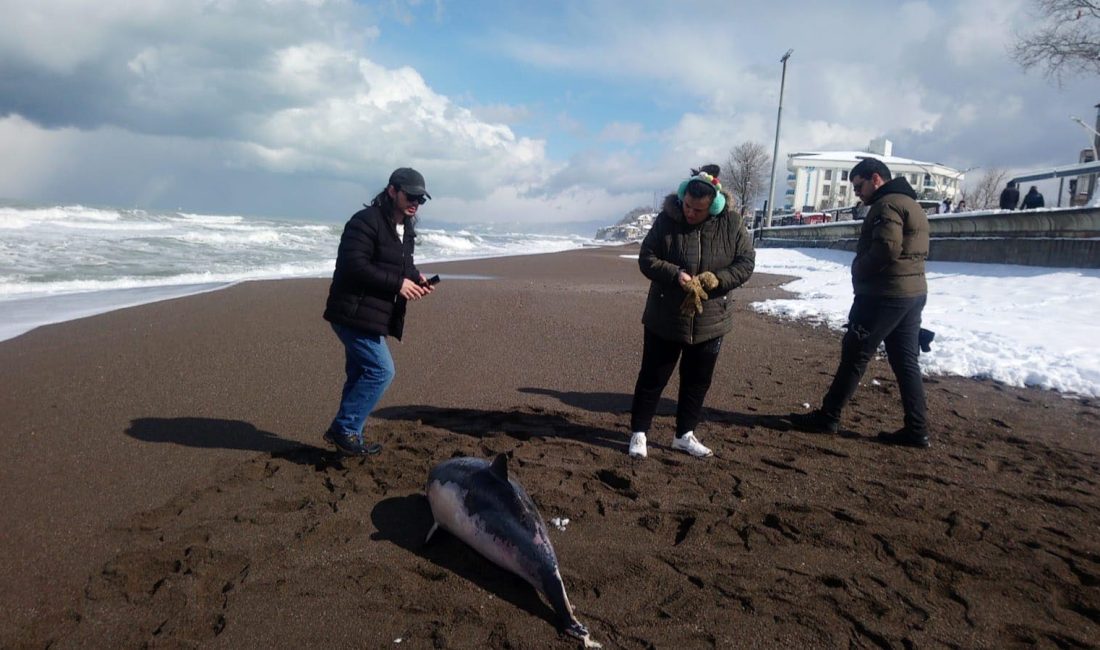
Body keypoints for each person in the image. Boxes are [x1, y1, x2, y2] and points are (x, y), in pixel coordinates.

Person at [789, 158, 931, 448]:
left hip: (884, 294)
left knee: (855, 354)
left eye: (858, 186)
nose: (857, 193)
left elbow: (887, 248)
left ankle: (829, 416)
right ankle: (917, 429)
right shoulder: (911, 203)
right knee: (905, 361)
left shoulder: (887, 204)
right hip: (912, 291)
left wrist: (858, 268)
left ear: (875, 178)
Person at [628, 166, 756, 459]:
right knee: (652, 377)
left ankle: (684, 435)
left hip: (712, 318)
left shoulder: (732, 223)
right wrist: (676, 275)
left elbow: (746, 263)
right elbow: (647, 258)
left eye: (697, 210)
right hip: (665, 316)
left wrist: (716, 280)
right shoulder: (665, 221)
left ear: (713, 206)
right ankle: (639, 433)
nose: (689, 213)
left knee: (697, 381)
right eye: (687, 205)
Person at [322, 167, 435, 455]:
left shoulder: (405, 228)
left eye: (421, 200)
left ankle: (349, 436)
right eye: (411, 196)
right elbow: (354, 265)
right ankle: (344, 428)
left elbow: (402, 264)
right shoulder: (365, 222)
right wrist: (398, 284)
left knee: (360, 373)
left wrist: (416, 277)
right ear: (392, 191)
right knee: (381, 371)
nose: (415, 204)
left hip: (372, 314)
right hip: (351, 312)